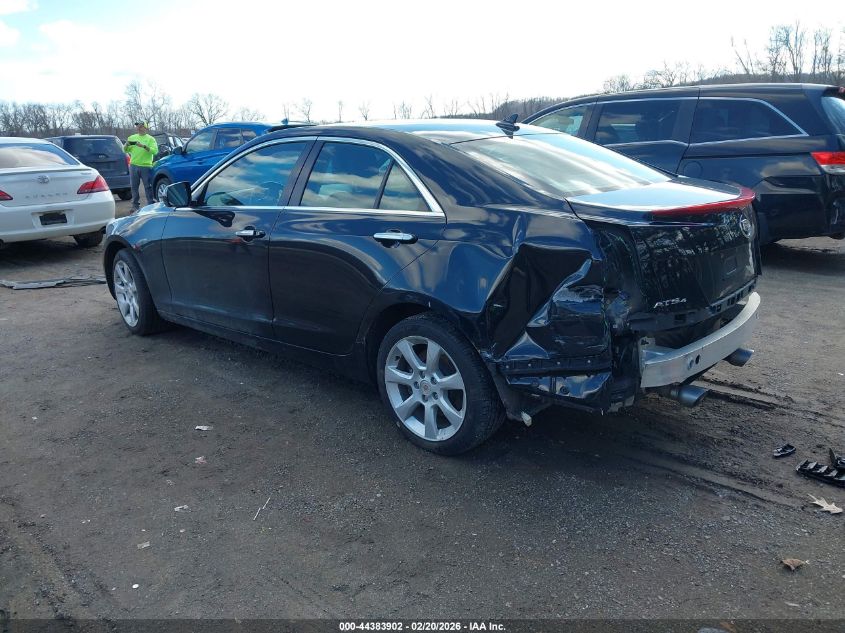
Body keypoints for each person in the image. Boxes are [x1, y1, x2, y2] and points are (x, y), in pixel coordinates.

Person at [124, 121, 158, 212]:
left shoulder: (151, 139)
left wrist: (143, 146)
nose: (139, 127)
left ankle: (150, 204)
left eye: (141, 126)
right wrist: (126, 145)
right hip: (133, 165)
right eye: (137, 126)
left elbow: (155, 151)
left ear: (146, 128)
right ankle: (135, 206)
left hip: (146, 166)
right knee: (134, 186)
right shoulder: (132, 137)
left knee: (148, 186)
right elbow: (125, 150)